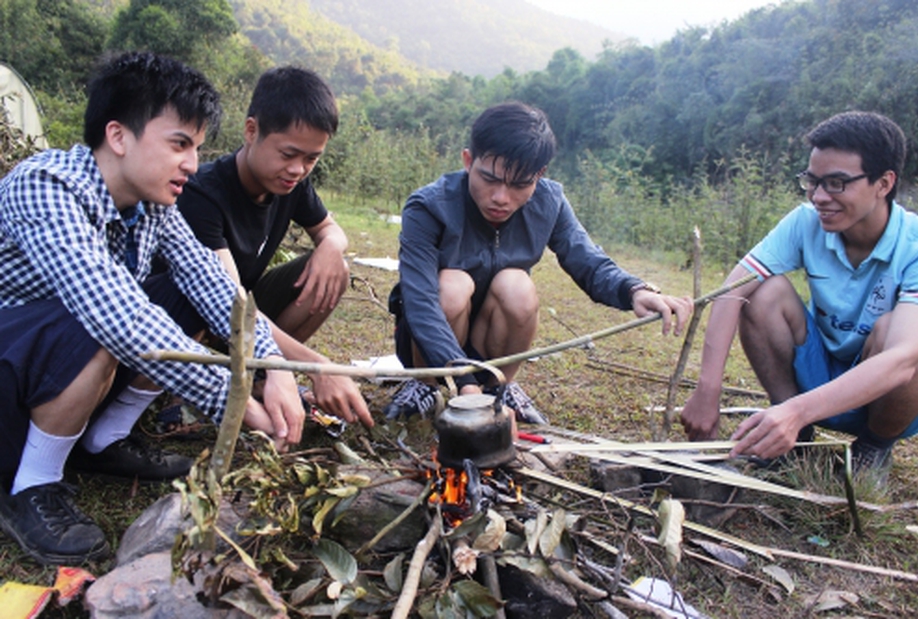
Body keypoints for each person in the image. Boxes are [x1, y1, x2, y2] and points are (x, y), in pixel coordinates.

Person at [0, 51, 307, 565]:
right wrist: (233, 400)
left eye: (198, 147)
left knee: (187, 293)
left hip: (56, 364)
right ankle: (29, 484)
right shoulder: (46, 186)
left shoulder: (152, 206)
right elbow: (115, 315)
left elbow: (212, 285)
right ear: (119, 136)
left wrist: (272, 366)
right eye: (179, 144)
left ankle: (103, 440)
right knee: (106, 317)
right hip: (12, 370)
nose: (192, 163)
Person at [385, 101, 694, 421]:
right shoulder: (429, 206)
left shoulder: (549, 202)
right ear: (468, 161)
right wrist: (463, 382)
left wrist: (635, 291)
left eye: (519, 184)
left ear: (539, 175)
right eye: (489, 179)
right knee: (451, 285)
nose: (501, 197)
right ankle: (426, 385)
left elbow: (587, 259)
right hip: (429, 342)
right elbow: (420, 300)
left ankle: (498, 387)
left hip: (491, 336)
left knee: (517, 284)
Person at [680, 111, 918, 480]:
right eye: (812, 182)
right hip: (818, 374)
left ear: (883, 183)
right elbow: (732, 290)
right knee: (761, 291)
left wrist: (798, 411)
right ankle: (794, 439)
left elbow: (903, 360)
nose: (819, 197)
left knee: (917, 344)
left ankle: (872, 448)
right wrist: (708, 388)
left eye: (836, 183)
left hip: (885, 397)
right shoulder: (805, 222)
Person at [176, 66, 371, 427]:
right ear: (252, 131)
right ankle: (183, 392)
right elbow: (228, 303)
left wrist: (331, 245)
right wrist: (315, 366)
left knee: (336, 268)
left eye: (311, 159)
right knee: (198, 308)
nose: (298, 169)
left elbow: (331, 229)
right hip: (198, 318)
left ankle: (263, 376)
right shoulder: (203, 194)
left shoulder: (290, 184)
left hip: (246, 316)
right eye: (288, 154)